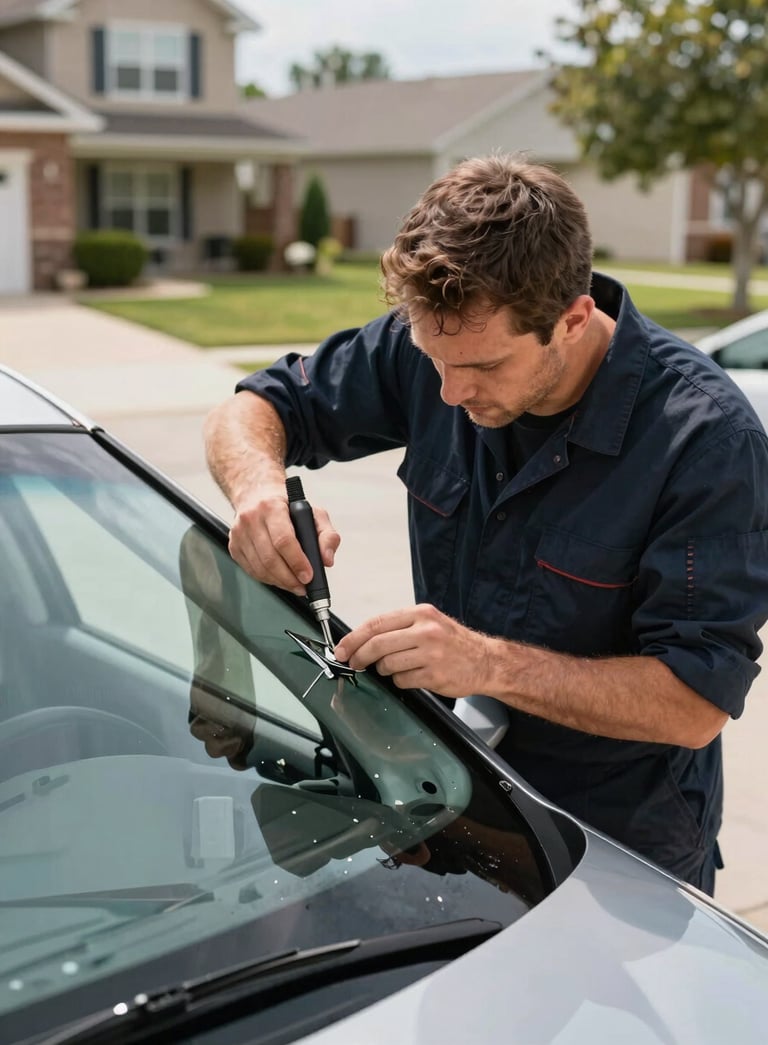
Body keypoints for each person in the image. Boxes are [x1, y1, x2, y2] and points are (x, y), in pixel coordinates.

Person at [204, 154, 768, 895]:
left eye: (484, 367)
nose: (448, 389)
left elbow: (695, 702)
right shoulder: (445, 342)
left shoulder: (704, 439)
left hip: (614, 850)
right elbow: (254, 408)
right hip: (451, 805)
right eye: (432, 355)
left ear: (573, 318)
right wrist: (257, 491)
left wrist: (487, 664)